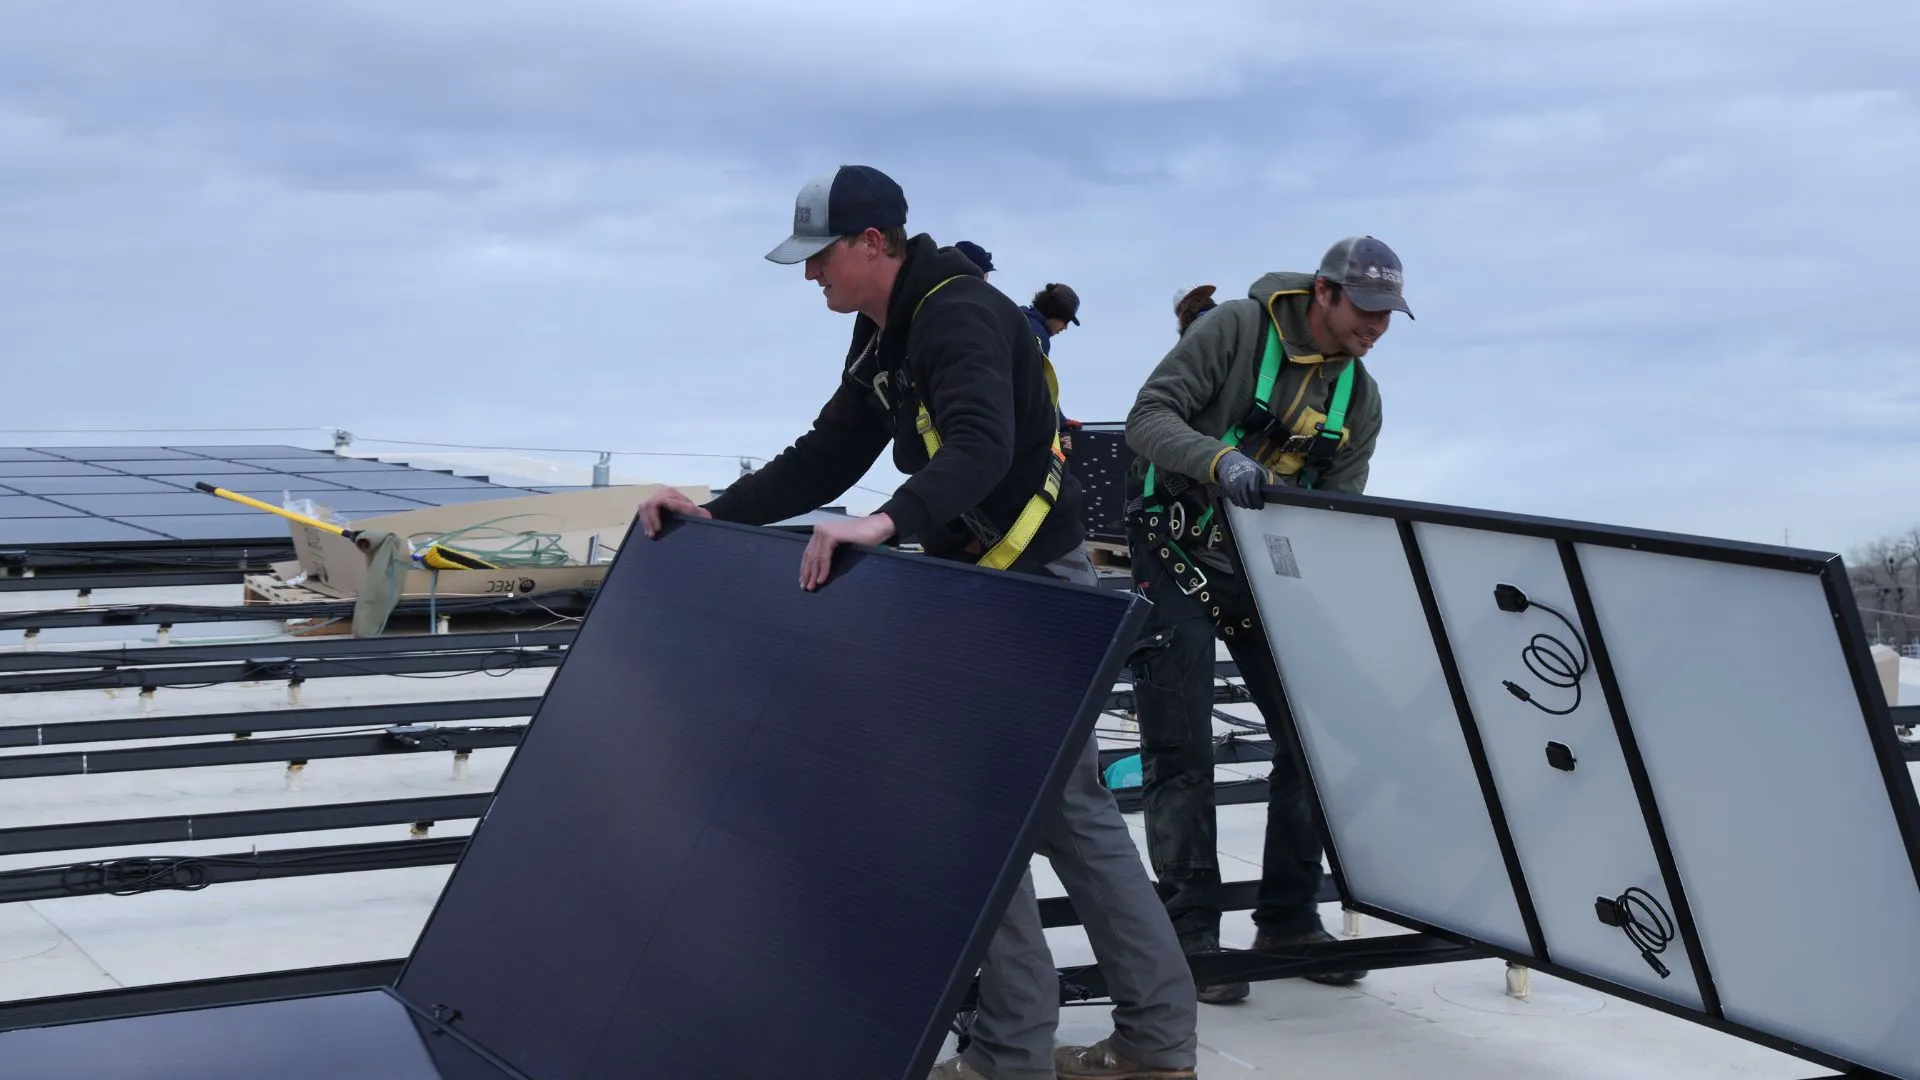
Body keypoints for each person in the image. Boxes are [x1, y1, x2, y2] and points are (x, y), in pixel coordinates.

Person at [636, 164, 1199, 1080]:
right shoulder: (883, 333)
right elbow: (828, 450)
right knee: (1052, 817)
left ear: (871, 244)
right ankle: (1134, 1046)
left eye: (820, 258)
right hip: (986, 590)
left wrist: (886, 521)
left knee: (1013, 820)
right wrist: (718, 514)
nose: (809, 276)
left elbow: (978, 441)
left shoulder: (959, 312)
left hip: (1025, 592)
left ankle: (1033, 1053)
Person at [1120, 236, 1410, 1005]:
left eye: (1388, 315)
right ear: (1324, 292)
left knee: (1314, 737)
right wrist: (1219, 461)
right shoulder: (1236, 332)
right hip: (1174, 547)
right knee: (1180, 746)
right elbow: (1147, 418)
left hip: (1263, 572)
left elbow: (1336, 512)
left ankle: (1287, 918)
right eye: (1366, 310)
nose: (1377, 328)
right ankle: (1189, 934)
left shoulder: (1361, 398)